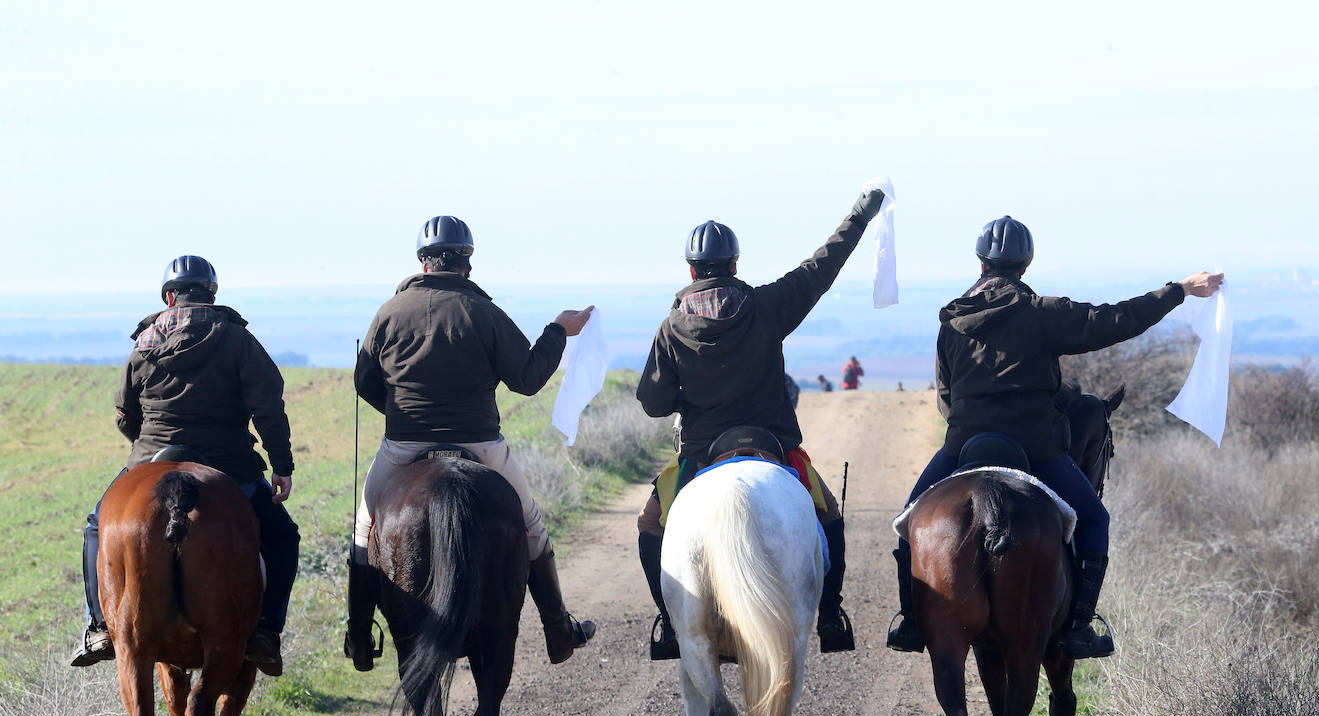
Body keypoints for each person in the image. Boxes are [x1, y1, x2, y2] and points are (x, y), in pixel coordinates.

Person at [886, 215, 1223, 659]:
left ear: (981, 263)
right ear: (1025, 265)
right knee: (1095, 520)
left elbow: (946, 397)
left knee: (911, 521)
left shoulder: (952, 321)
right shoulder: (1044, 314)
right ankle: (1080, 626)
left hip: (965, 444)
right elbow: (1116, 320)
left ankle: (912, 622)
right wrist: (1179, 291)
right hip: (1036, 447)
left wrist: (969, 428)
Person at [636, 189, 885, 660]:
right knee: (828, 513)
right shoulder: (767, 306)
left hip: (701, 457)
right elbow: (821, 268)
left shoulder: (671, 329)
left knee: (650, 524)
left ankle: (670, 624)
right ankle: (830, 614)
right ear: (734, 264)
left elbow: (652, 404)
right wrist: (857, 217)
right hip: (774, 450)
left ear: (691, 270)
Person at [347, 216, 595, 671]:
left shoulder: (387, 313)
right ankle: (558, 629)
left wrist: (404, 415)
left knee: (364, 531)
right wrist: (558, 330)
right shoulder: (484, 312)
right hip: (479, 444)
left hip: (404, 444)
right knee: (531, 524)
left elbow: (364, 381)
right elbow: (527, 378)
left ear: (423, 262)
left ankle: (360, 637)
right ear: (467, 261)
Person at [71, 256, 300, 676]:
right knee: (283, 536)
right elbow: (268, 406)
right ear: (211, 295)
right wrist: (281, 465)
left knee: (95, 526)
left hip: (152, 456)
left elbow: (125, 413)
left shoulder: (143, 343)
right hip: (230, 465)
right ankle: (266, 630)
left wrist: (144, 452)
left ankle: (99, 626)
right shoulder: (238, 339)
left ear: (169, 297)